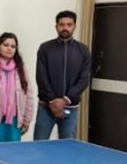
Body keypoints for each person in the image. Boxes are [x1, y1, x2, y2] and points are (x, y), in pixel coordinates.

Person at [34, 10, 91, 140]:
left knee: (68, 149)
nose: (65, 28)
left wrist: (65, 100)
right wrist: (53, 103)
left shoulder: (83, 50)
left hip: (70, 108)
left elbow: (84, 79)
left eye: (69, 24)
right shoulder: (45, 48)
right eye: (62, 24)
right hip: (46, 108)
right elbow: (41, 77)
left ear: (74, 26)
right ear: (56, 26)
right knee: (38, 147)